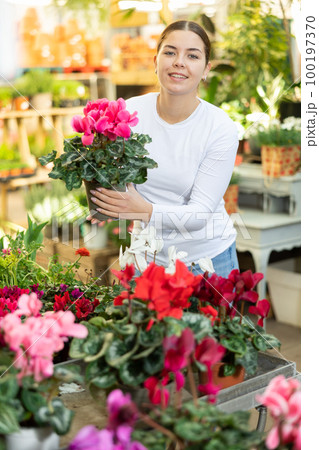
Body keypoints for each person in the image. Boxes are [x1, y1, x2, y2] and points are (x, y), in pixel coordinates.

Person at [89, 20, 239, 278]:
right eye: (170, 52)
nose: (179, 62)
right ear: (155, 61)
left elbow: (200, 213)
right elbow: (109, 170)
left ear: (206, 69)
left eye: (192, 55)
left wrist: (141, 210)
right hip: (146, 259)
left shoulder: (219, 127)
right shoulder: (130, 113)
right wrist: (107, 201)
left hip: (207, 262)